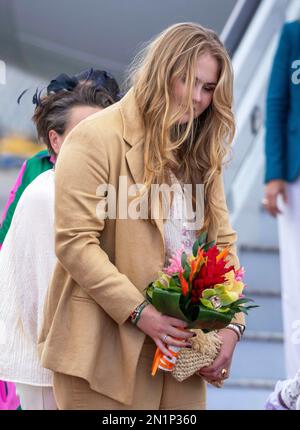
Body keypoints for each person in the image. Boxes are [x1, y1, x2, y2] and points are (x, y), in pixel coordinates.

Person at [38, 22, 245, 410]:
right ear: (162, 74)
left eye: (209, 88)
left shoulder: (201, 154)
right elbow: (75, 244)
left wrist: (232, 328)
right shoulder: (94, 138)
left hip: (180, 358)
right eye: (189, 81)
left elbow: (223, 244)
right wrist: (141, 313)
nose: (198, 98)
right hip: (102, 356)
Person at [0, 71, 120, 410]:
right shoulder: (40, 186)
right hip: (48, 357)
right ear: (56, 141)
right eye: (83, 135)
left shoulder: (120, 190)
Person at [263, 20, 300, 378]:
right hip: (296, 178)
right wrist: (273, 173)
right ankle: (296, 386)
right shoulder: (292, 34)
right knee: (297, 287)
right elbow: (276, 103)